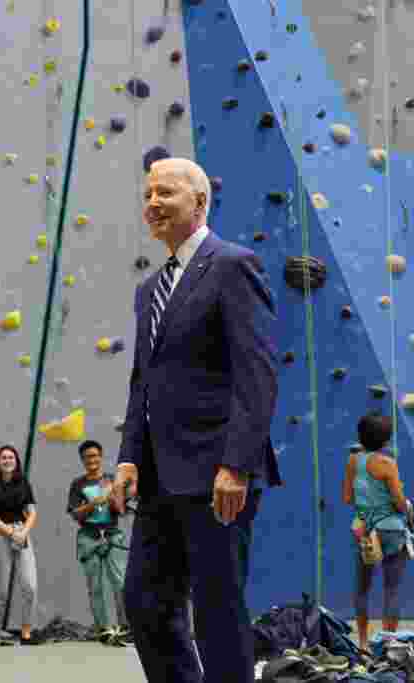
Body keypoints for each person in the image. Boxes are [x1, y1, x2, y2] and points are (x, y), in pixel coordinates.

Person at [110, 157, 281, 683]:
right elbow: (143, 382)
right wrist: (128, 459)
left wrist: (236, 465)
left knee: (217, 610)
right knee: (144, 602)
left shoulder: (232, 264)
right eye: (147, 194)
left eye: (165, 192)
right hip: (161, 477)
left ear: (200, 202)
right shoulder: (149, 291)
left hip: (217, 475)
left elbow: (257, 373)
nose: (153, 203)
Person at [341, 413, 411, 650]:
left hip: (365, 529)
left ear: (360, 436)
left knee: (362, 588)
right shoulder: (388, 464)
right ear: (386, 440)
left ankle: (362, 643)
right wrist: (406, 505)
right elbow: (399, 502)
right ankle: (387, 646)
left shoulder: (353, 461)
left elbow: (347, 497)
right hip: (391, 529)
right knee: (391, 589)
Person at [0, 444, 44, 647]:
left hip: (21, 533)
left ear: (16, 462)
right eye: (4, 458)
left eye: (11, 458)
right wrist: (10, 533)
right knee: (1, 591)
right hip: (0, 534)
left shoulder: (23, 483)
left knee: (30, 586)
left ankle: (26, 632)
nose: (8, 461)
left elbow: (32, 512)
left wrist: (23, 532)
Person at [66, 440, 130, 640]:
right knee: (95, 585)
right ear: (82, 460)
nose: (91, 460)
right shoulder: (77, 484)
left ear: (100, 457)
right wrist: (93, 503)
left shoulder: (112, 480)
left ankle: (126, 627)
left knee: (119, 582)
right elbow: (75, 514)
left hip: (112, 535)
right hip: (89, 537)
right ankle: (103, 628)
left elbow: (122, 509)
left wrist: (114, 498)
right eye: (87, 457)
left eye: (94, 456)